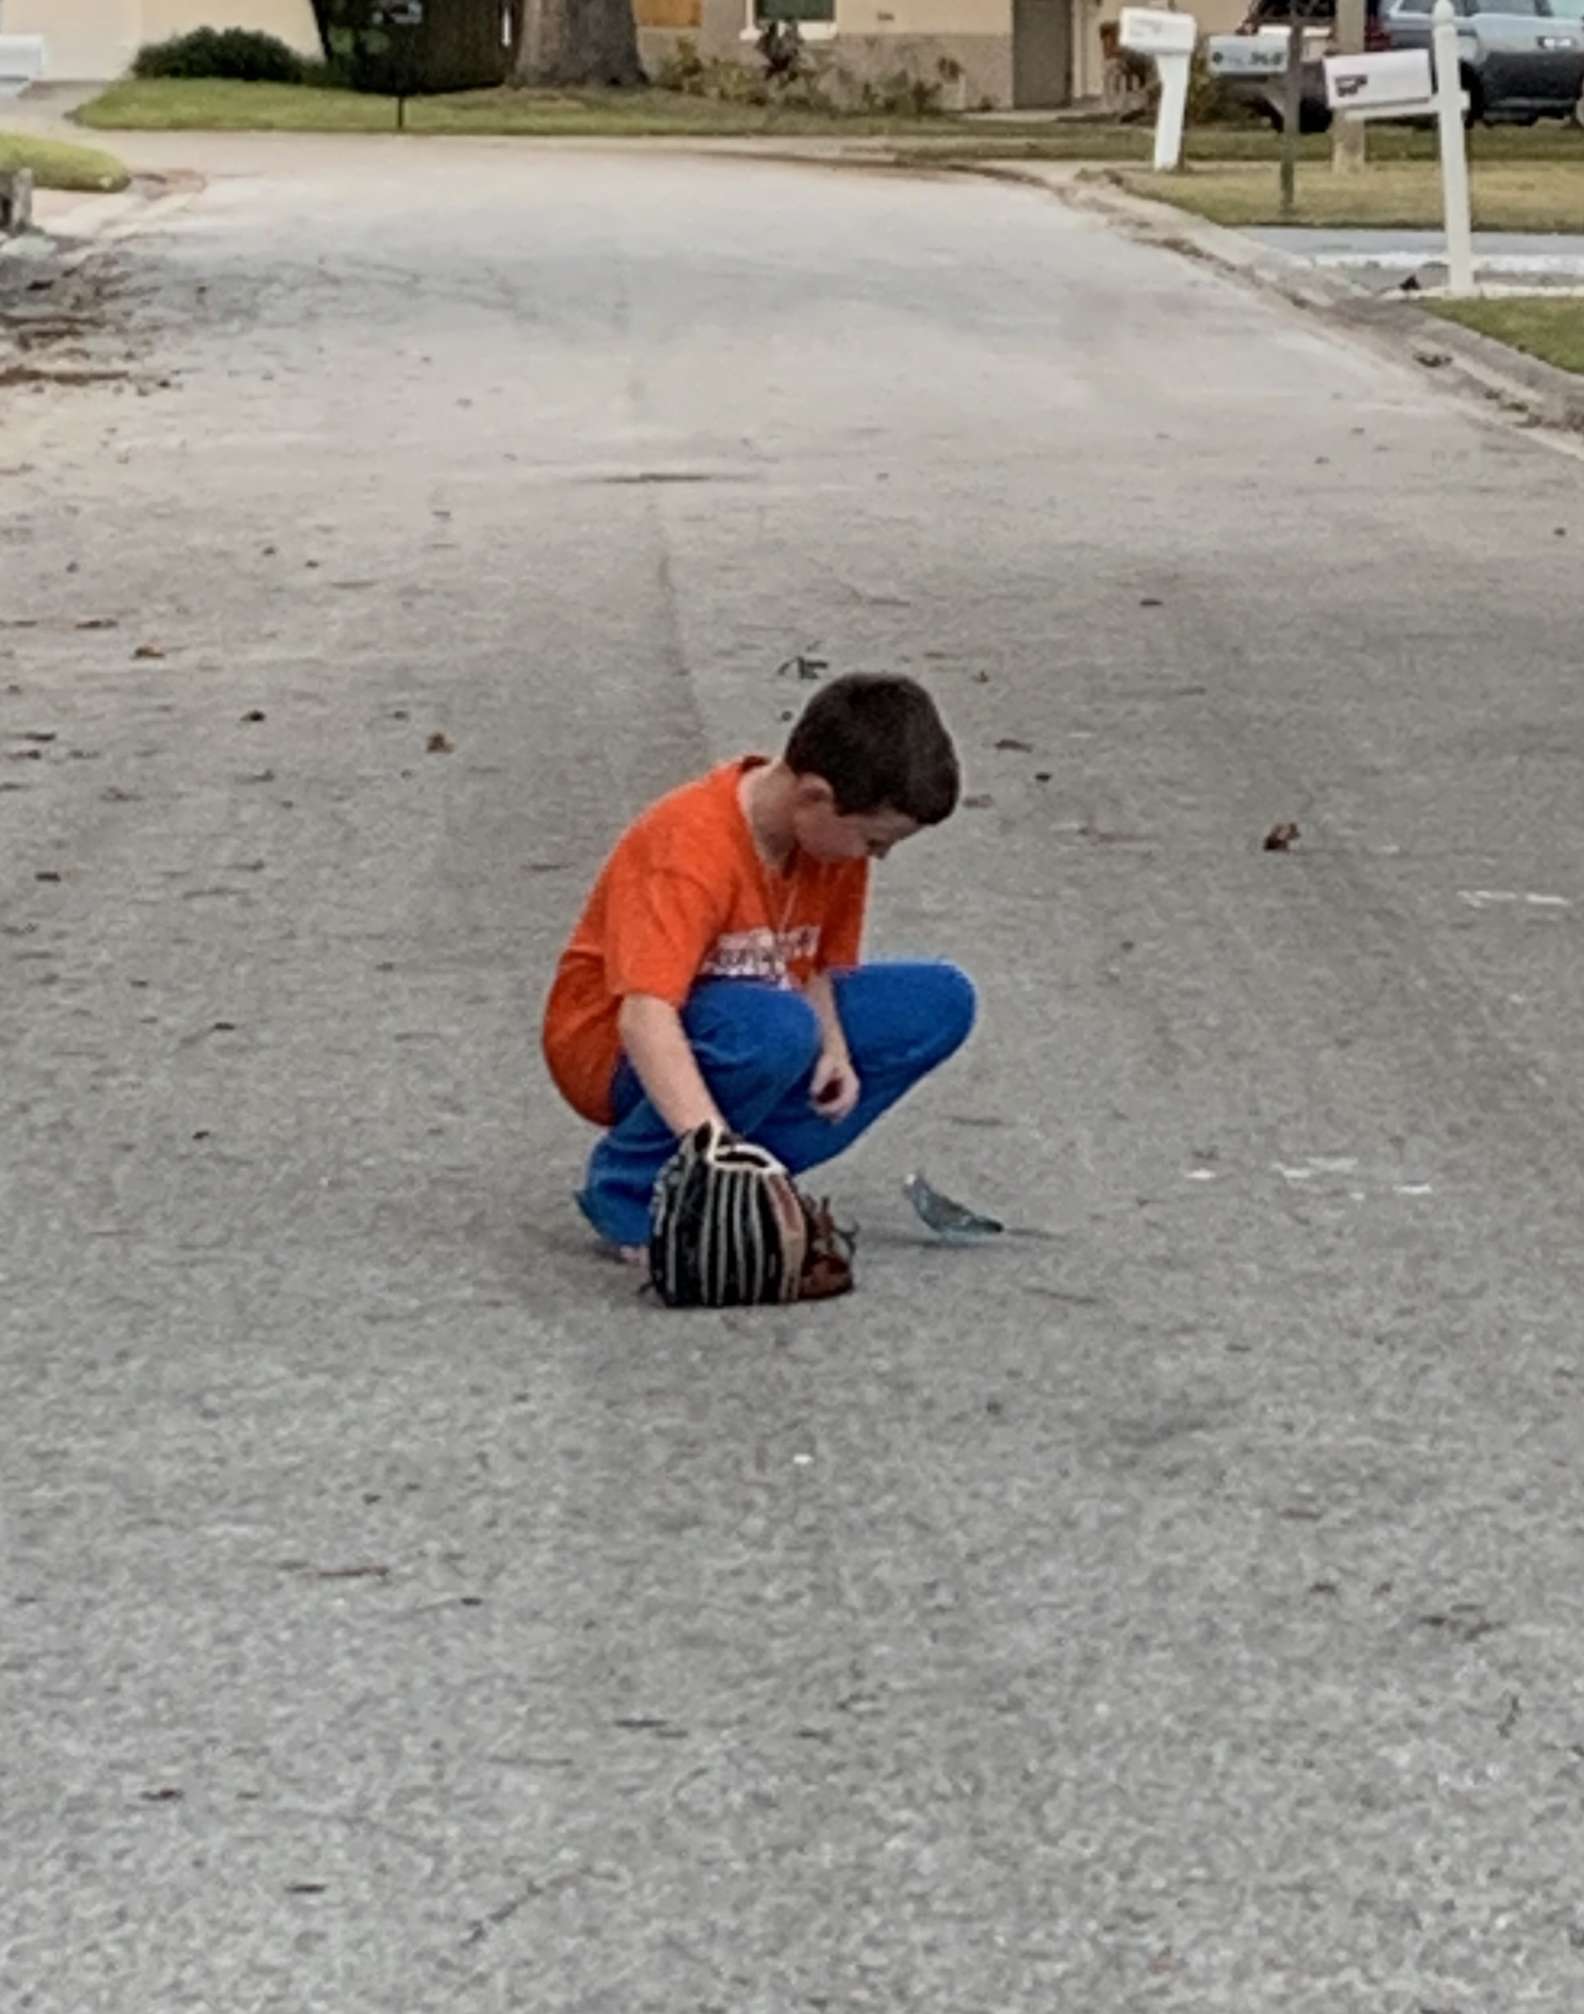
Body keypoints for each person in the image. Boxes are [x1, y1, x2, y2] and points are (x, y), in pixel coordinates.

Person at [542, 673, 977, 1257]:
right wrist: (715, 1149)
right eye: (874, 841)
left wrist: (835, 1051)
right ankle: (637, 1194)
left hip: (749, 1023)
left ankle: (753, 1181)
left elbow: (812, 967)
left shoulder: (830, 845)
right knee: (777, 1028)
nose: (878, 857)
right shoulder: (690, 847)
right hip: (617, 1048)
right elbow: (644, 1018)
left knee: (941, 1002)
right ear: (815, 796)